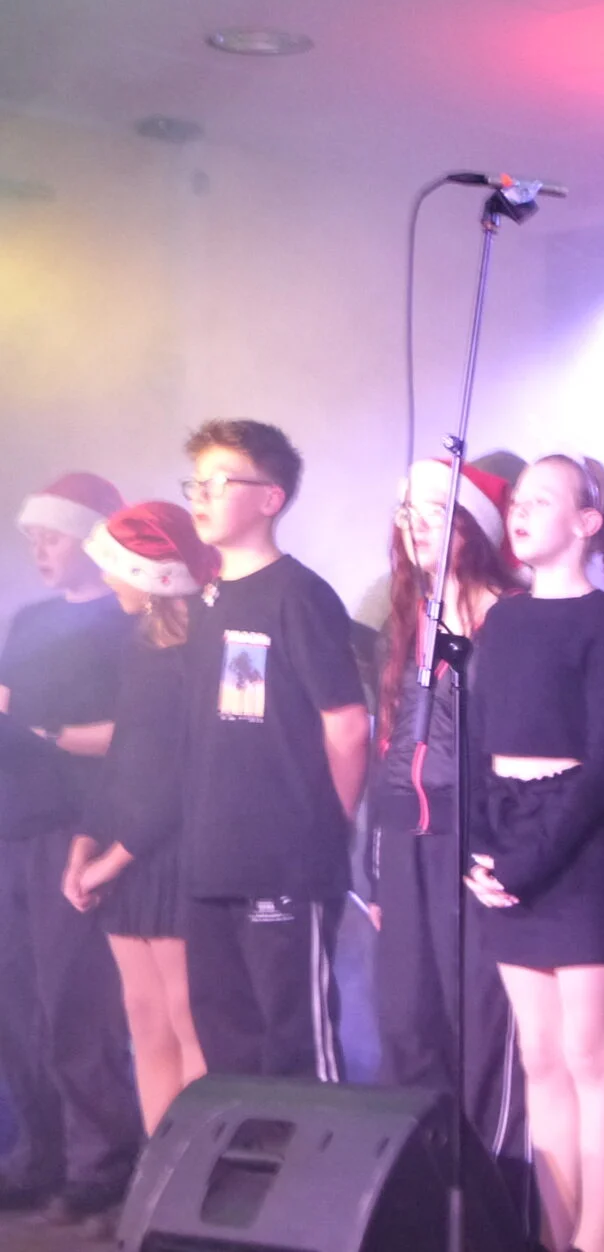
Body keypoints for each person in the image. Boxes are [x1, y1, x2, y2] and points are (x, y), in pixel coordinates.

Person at [465, 454, 604, 1252]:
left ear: (587, 522)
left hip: (576, 846)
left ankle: (595, 1237)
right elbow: (477, 742)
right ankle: (556, 1235)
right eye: (517, 502)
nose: (520, 513)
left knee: (589, 1052)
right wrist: (481, 848)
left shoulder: (602, 621)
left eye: (541, 500)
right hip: (508, 834)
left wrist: (529, 859)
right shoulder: (502, 621)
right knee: (539, 1055)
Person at [368, 458, 532, 1226]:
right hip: (407, 842)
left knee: (484, 1032)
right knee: (406, 1023)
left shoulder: (514, 619)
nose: (417, 525)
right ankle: (423, 1206)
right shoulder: (407, 618)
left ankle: (494, 1214)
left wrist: (513, 845)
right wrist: (374, 864)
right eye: (409, 512)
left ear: (474, 526)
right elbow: (391, 742)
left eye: (436, 511)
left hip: (477, 839)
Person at [180, 420, 369, 1083]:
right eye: (195, 483)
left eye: (219, 482)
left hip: (285, 860)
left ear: (270, 498)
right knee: (227, 1046)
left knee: (296, 1046)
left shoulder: (299, 595)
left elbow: (347, 725)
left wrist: (329, 825)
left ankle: (313, 1156)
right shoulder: (205, 601)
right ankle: (247, 1153)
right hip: (210, 861)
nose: (201, 495)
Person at [0, 473, 143, 1229]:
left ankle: (102, 1163)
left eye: (52, 536)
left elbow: (135, 734)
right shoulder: (29, 622)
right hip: (11, 830)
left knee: (73, 1005)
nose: (40, 550)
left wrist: (38, 725)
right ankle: (39, 1155)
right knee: (16, 1005)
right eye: (33, 538)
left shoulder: (125, 623)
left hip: (75, 829)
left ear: (92, 537)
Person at [63, 503, 216, 1145]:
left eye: (117, 570)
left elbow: (180, 777)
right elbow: (124, 755)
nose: (108, 582)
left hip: (174, 857)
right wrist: (84, 844)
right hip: (126, 860)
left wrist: (112, 859)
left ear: (154, 576)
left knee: (187, 1021)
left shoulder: (201, 653)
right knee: (145, 1018)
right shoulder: (139, 648)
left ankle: (198, 1177)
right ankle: (160, 1170)